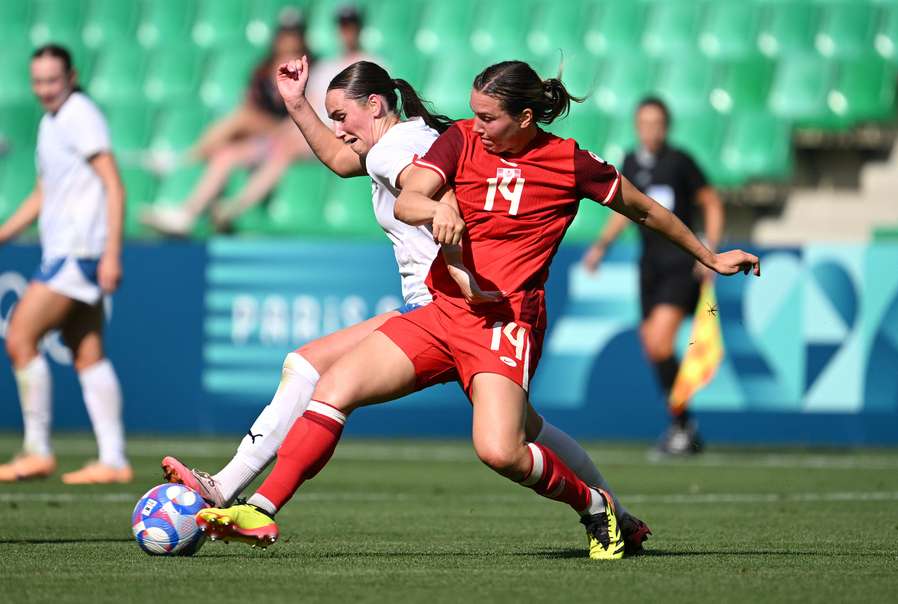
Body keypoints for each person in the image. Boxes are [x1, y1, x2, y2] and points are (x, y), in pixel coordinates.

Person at [195, 60, 759, 559]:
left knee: (501, 450)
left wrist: (708, 255)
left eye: (489, 117)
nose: (476, 125)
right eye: (474, 114)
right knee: (334, 385)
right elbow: (414, 191)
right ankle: (262, 508)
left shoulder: (568, 164)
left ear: (525, 119)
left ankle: (597, 507)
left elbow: (647, 211)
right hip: (444, 311)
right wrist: (434, 211)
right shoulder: (462, 139)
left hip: (505, 321)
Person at [0, 45, 131, 484]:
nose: (44, 90)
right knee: (87, 353)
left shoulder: (79, 113)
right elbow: (43, 193)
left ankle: (38, 449)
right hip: (68, 250)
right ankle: (113, 460)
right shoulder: (51, 121)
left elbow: (114, 184)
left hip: (78, 250)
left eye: (52, 80)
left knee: (20, 336)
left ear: (70, 77)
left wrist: (112, 251)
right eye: (37, 81)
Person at [582, 97, 725, 455]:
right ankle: (683, 426)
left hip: (680, 264)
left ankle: (682, 427)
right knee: (652, 347)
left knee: (660, 342)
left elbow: (712, 202)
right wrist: (602, 246)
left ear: (667, 126)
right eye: (644, 123)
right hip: (649, 268)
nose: (651, 129)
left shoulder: (680, 162)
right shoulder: (631, 161)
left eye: (657, 123)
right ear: (636, 126)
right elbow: (624, 209)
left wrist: (708, 250)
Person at [141, 22, 317, 236]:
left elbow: (306, 113)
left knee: (245, 121)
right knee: (226, 153)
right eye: (285, 34)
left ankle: (189, 167)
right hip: (266, 137)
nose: (289, 40)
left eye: (294, 35)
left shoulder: (312, 68)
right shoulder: (264, 69)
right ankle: (187, 213)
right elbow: (252, 102)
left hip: (290, 136)